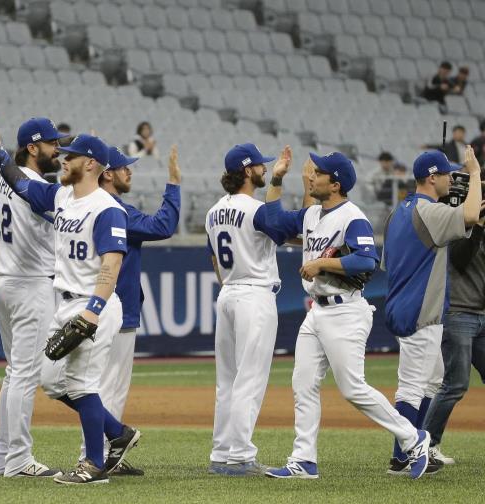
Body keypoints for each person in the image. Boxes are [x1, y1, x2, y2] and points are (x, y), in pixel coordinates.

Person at [262, 151, 432, 480]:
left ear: (335, 184)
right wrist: (277, 179)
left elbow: (368, 260)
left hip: (346, 311)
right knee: (303, 383)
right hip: (317, 313)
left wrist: (322, 263)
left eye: (319, 173)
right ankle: (304, 460)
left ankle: (414, 438)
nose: (312, 175)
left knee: (353, 388)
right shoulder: (313, 213)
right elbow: (271, 223)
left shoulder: (352, 216)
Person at [0, 132, 140, 485]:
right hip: (64, 303)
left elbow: (111, 264)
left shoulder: (107, 209)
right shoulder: (63, 196)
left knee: (80, 384)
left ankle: (93, 465)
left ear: (90, 164)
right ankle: (117, 432)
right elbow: (19, 182)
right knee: (50, 381)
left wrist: (92, 311)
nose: (63, 158)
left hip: (94, 306)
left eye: (71, 156)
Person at [381, 148, 482, 473]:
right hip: (421, 311)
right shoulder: (428, 211)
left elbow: (389, 264)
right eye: (449, 175)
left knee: (433, 381)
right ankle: (403, 456)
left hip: (406, 304)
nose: (453, 180)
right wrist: (476, 173)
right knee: (412, 387)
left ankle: (411, 449)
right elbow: (468, 216)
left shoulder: (398, 212)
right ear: (431, 177)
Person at [90, 144, 180, 476]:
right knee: (108, 387)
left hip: (94, 306)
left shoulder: (87, 205)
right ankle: (98, 456)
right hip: (115, 308)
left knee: (101, 385)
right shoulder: (116, 210)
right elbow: (163, 226)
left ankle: (103, 455)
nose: (130, 171)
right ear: (108, 173)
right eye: (124, 167)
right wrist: (173, 183)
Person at [0, 118, 68, 479]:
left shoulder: (5, 182)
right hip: (30, 285)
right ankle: (18, 460)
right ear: (32, 148)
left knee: (13, 373)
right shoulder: (35, 186)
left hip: (4, 282)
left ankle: (3, 454)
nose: (59, 150)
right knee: (24, 375)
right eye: (53, 143)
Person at [205, 144, 291, 477]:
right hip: (254, 294)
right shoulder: (255, 209)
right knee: (249, 379)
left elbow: (212, 256)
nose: (264, 169)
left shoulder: (214, 211)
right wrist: (281, 181)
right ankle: (239, 456)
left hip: (228, 293)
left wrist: (229, 283)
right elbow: (281, 227)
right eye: (259, 165)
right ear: (246, 171)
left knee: (226, 380)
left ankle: (221, 453)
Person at [423, 183, 485, 464]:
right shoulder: (456, 225)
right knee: (455, 384)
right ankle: (427, 445)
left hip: (481, 315)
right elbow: (460, 260)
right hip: (459, 313)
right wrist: (478, 226)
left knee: (454, 384)